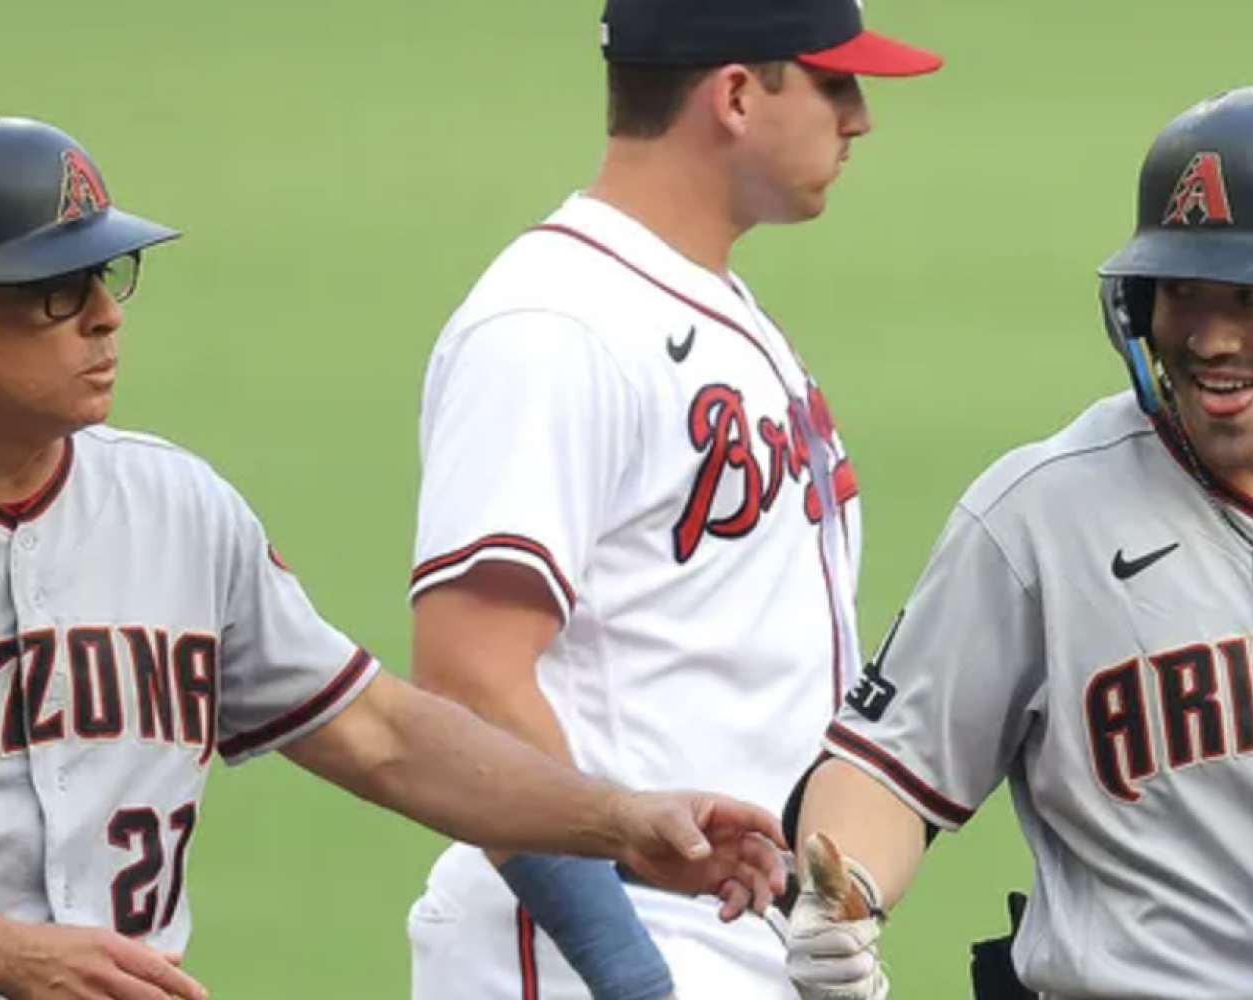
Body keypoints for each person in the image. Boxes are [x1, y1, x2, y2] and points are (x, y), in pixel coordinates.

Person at [0, 115, 787, 1000]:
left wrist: (618, 820)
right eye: (56, 290)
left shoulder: (179, 510)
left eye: (108, 276)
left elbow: (382, 735)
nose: (106, 317)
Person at [776, 85, 1253, 1000]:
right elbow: (887, 767)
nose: (1210, 337)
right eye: (1182, 291)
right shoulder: (1041, 514)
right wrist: (842, 899)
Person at [401, 0, 941, 996]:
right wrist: (625, 968)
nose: (859, 116)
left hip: (724, 940)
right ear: (735, 93)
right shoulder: (554, 324)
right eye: (832, 83)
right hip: (597, 948)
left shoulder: (703, 305)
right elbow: (466, 680)